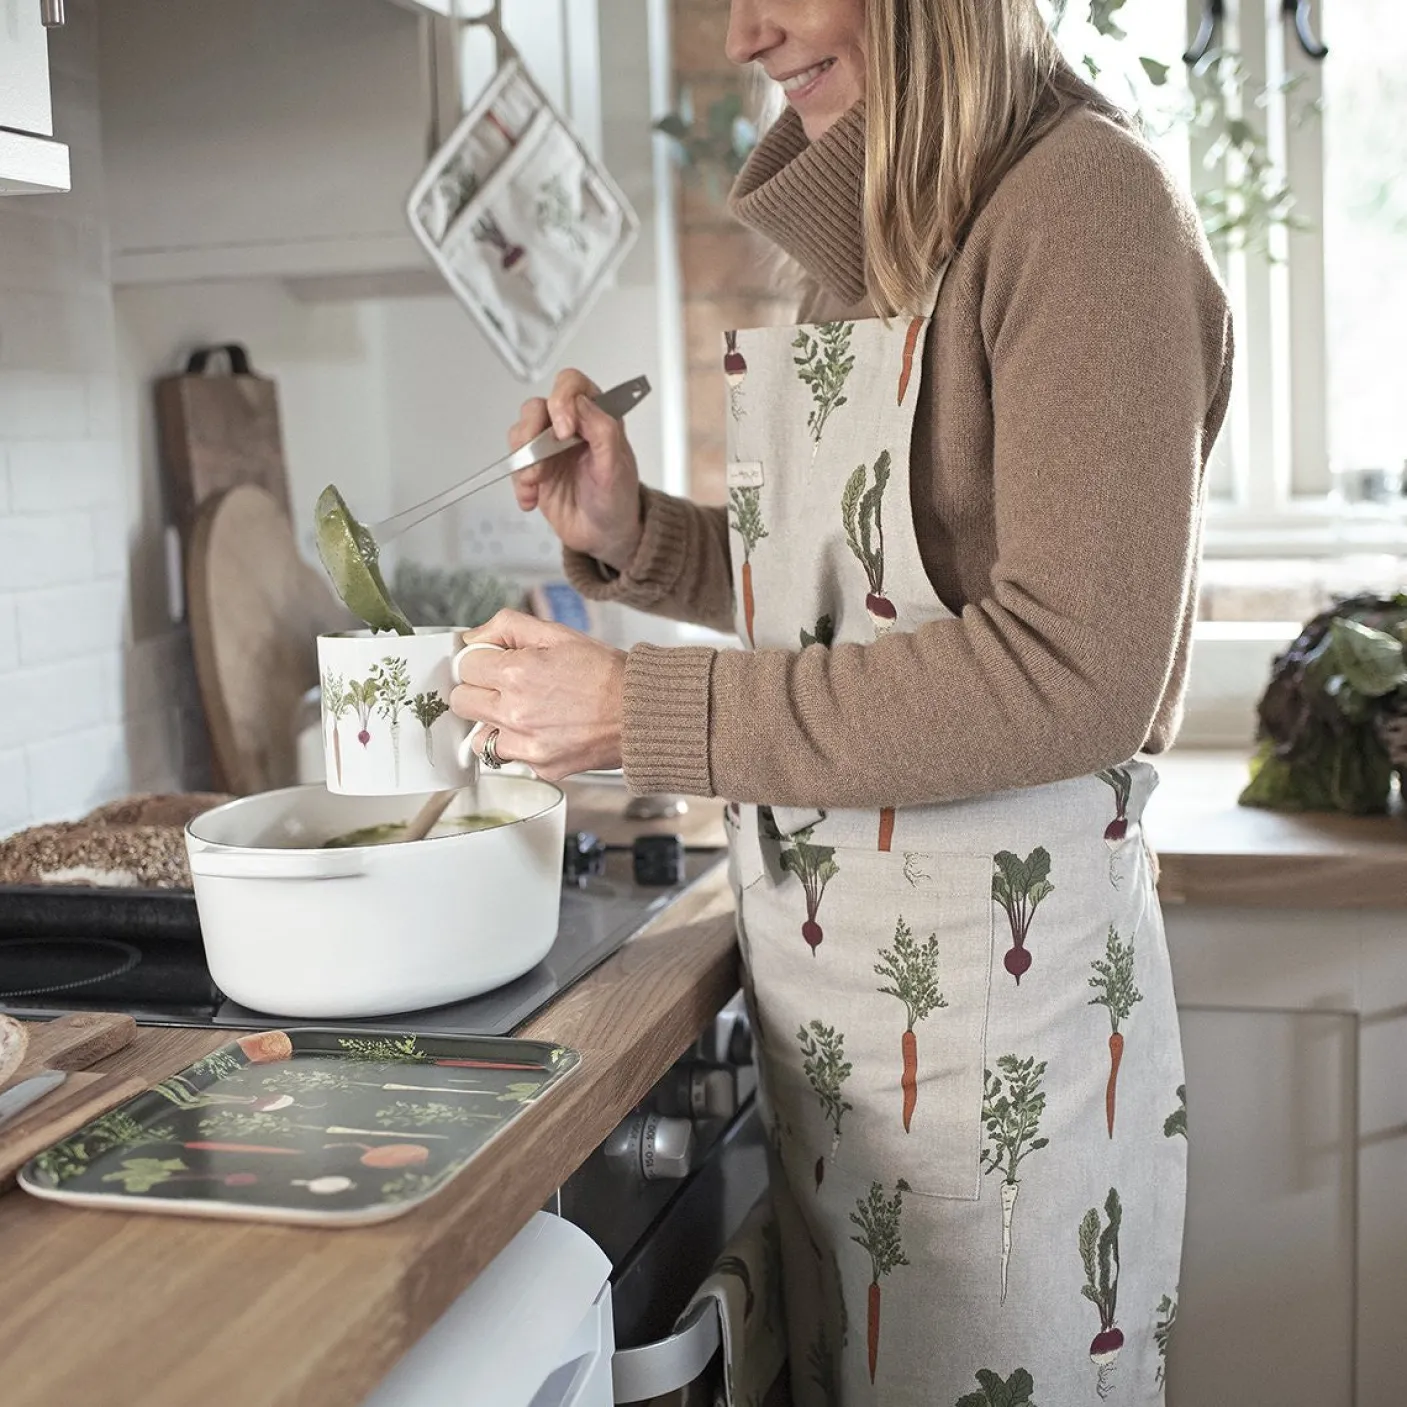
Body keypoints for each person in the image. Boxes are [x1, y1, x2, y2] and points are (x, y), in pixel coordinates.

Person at [451, 0, 1232, 1398]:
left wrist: (645, 710)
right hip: (854, 1049)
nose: (743, 34)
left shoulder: (1085, 210)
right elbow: (867, 605)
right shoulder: (904, 239)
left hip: (1006, 1055)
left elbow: (1070, 671)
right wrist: (640, 534)